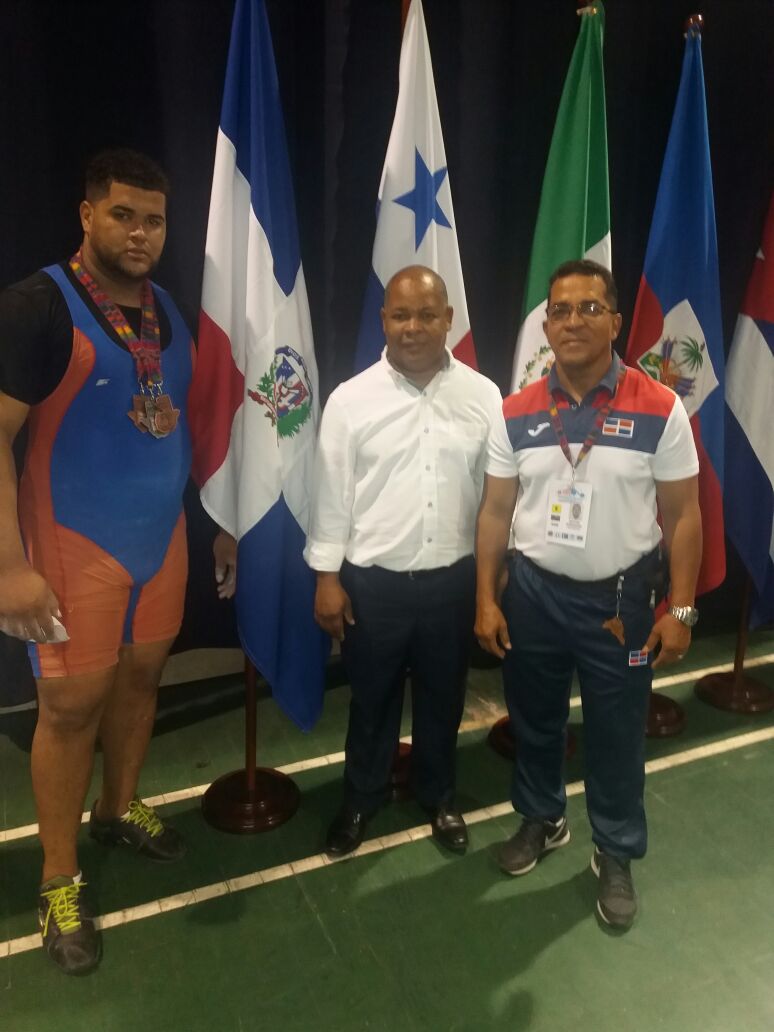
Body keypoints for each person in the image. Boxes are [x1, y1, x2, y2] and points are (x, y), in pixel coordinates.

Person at [0, 149, 235, 975]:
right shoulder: (35, 307)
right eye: (123, 215)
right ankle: (58, 878)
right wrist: (8, 567)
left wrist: (218, 523)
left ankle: (118, 807)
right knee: (70, 710)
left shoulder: (166, 309)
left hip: (159, 541)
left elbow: (186, 425)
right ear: (87, 214)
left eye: (154, 220)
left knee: (142, 680)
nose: (140, 234)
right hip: (73, 544)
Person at [475, 259, 702, 931]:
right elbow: (494, 511)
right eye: (561, 310)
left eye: (588, 308)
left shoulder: (658, 406)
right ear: (546, 326)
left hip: (620, 604)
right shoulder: (515, 411)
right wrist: (486, 599)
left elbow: (685, 515)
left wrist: (681, 609)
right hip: (533, 596)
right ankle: (542, 818)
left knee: (616, 733)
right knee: (535, 720)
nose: (573, 321)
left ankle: (616, 849)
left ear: (615, 321)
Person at [305, 265, 514, 858]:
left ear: (449, 319)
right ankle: (360, 799)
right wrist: (327, 578)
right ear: (384, 321)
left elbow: (498, 494)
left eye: (426, 315)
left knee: (444, 698)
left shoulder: (484, 396)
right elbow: (331, 496)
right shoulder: (350, 400)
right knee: (371, 700)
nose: (413, 327)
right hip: (373, 587)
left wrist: (492, 577)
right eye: (400, 315)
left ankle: (439, 796)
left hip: (454, 582)